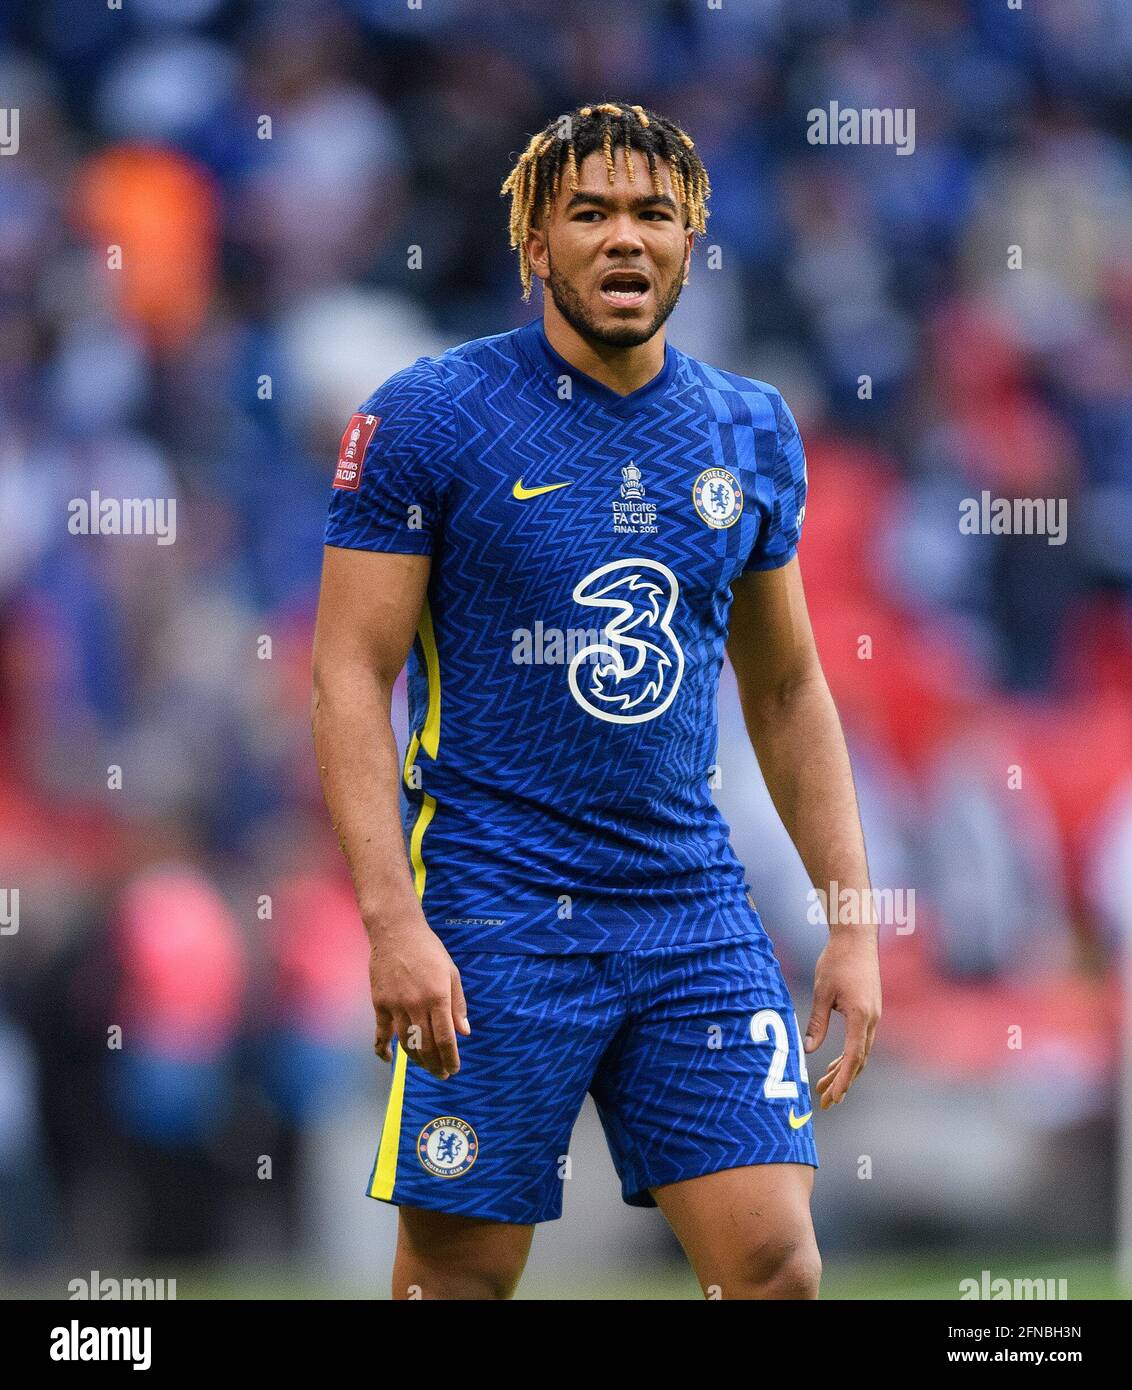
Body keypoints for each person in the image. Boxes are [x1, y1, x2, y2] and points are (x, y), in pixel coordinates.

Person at [311, 101, 881, 1300]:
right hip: (495, 900)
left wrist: (852, 918)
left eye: (652, 214)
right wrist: (390, 922)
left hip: (689, 905)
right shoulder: (429, 414)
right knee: (454, 1281)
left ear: (690, 241)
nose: (625, 239)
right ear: (535, 244)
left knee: (776, 1264)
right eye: (590, 213)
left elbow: (784, 689)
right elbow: (348, 673)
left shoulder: (749, 428)